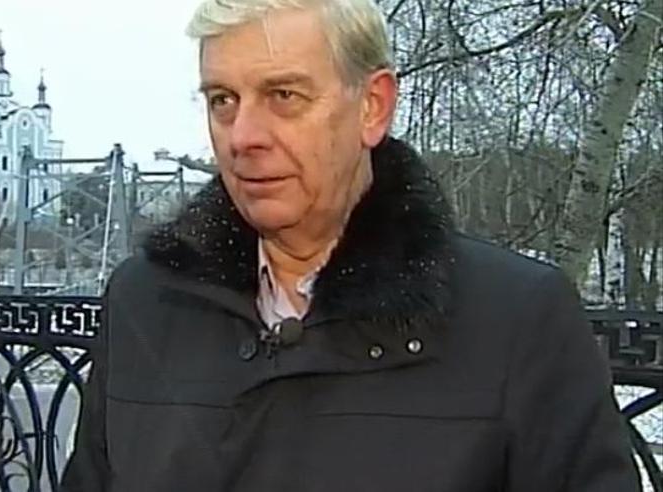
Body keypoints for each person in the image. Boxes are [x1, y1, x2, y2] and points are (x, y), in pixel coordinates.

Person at [60, 0, 640, 490]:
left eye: (284, 95)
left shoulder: (519, 319)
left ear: (372, 106)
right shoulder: (143, 303)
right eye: (222, 100)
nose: (244, 136)